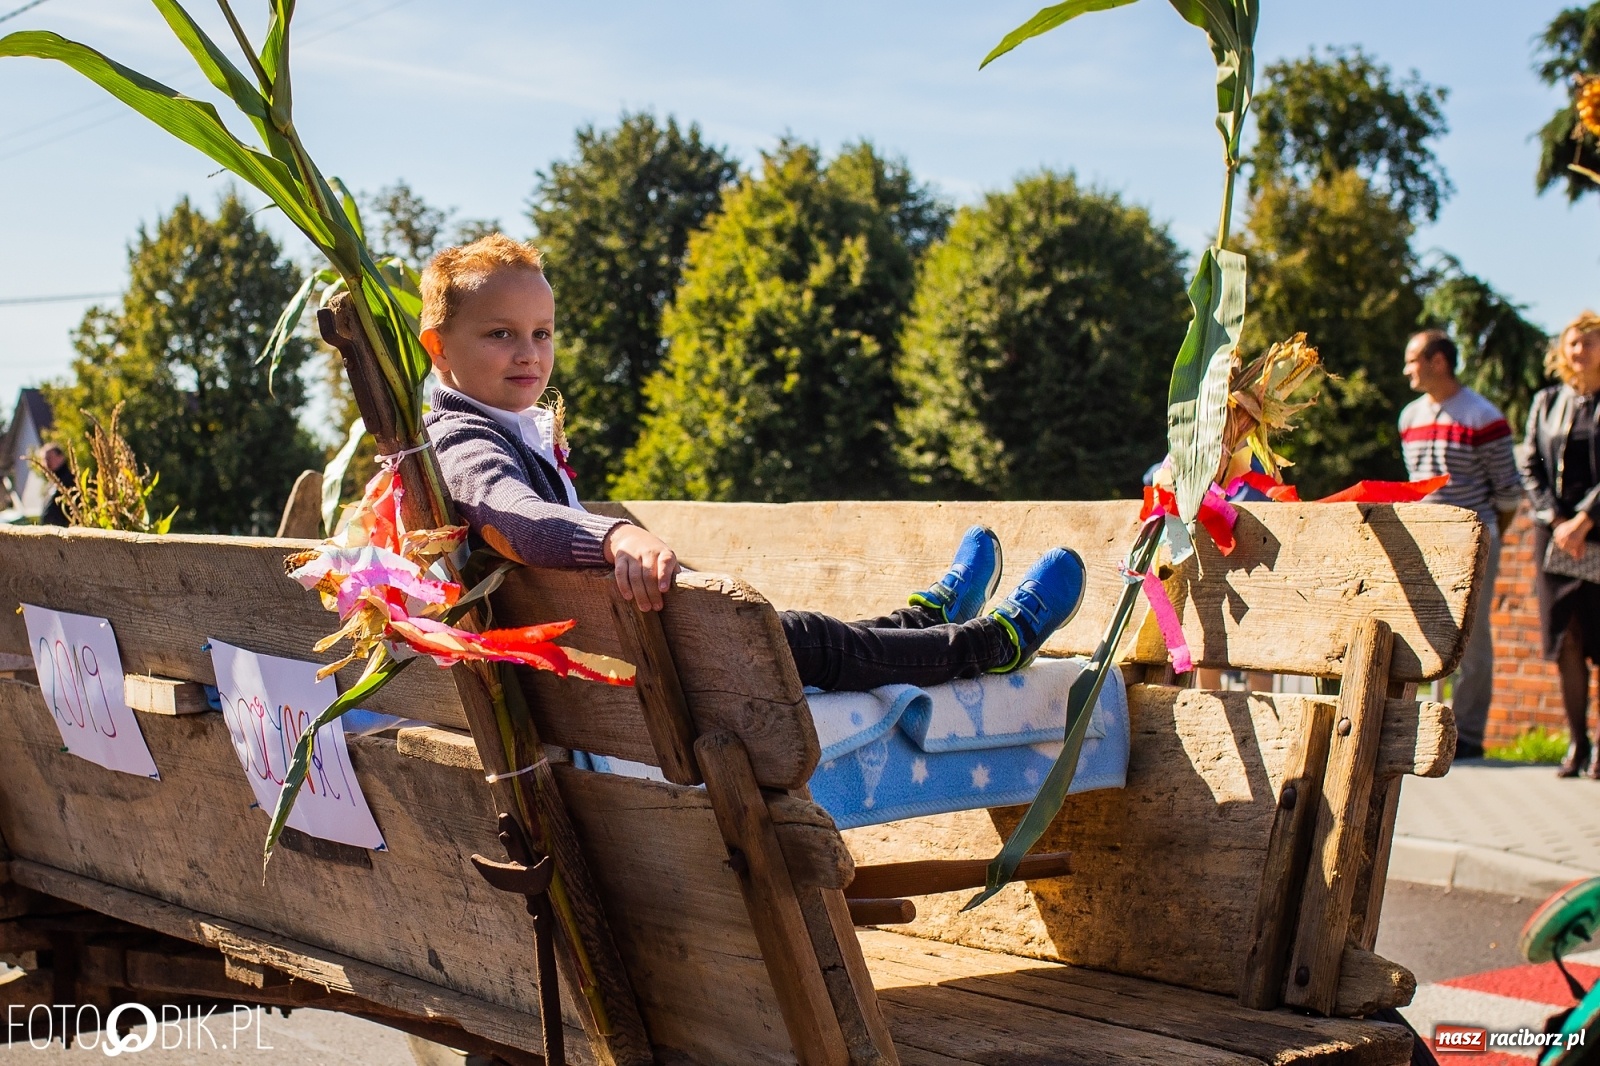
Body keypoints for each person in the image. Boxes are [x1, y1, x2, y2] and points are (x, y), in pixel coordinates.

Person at [417, 234, 1086, 692]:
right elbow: (518, 521)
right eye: (500, 334)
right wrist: (616, 533)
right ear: (438, 349)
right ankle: (990, 646)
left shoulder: (496, 425)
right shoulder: (462, 442)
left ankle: (923, 622)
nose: (529, 353)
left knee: (797, 637)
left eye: (542, 333)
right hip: (627, 679)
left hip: (615, 658)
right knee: (805, 643)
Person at [1399, 329, 1523, 761]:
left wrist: (1487, 536)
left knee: (1472, 640)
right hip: (1425, 540)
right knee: (1424, 635)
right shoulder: (1409, 417)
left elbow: (1508, 491)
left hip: (1472, 540)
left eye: (1413, 360)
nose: (1405, 369)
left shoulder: (1482, 416)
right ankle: (1420, 728)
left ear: (1438, 362)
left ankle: (1468, 734)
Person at [1522, 312, 1600, 777]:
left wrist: (1586, 519)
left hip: (1599, 530)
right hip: (1555, 538)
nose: (1580, 350)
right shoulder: (1547, 401)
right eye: (1574, 342)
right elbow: (1530, 464)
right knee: (1567, 640)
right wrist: (1557, 519)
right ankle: (1578, 743)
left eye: (1590, 342)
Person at [37, 444, 70, 527]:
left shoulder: (69, 481)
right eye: (44, 460)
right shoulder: (51, 484)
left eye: (48, 458)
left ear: (60, 457)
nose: (46, 463)